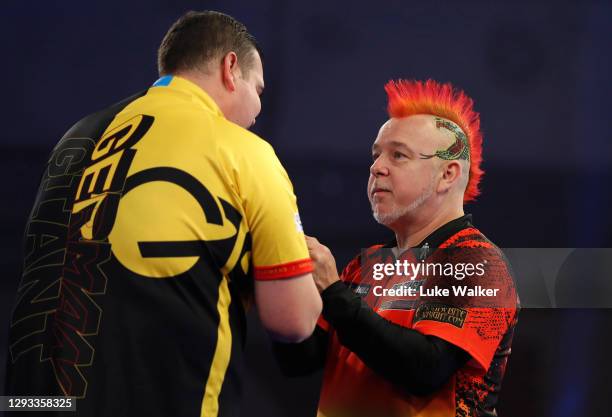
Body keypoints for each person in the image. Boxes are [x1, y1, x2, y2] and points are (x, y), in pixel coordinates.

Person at [4, 10, 321, 417]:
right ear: (231, 68)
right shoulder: (244, 151)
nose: (258, 110)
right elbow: (292, 321)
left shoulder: (77, 134)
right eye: (258, 89)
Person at [274, 80, 519, 417]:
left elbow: (426, 369)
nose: (376, 167)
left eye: (398, 155)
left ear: (448, 174)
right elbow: (299, 361)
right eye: (376, 154)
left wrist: (332, 292)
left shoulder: (476, 260)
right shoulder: (365, 265)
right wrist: (280, 280)